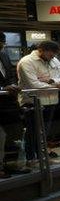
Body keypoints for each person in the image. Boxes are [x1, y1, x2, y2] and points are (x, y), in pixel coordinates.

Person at [17, 40, 60, 164]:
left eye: (54, 55)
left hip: (51, 100)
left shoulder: (54, 60)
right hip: (32, 102)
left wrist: (51, 81)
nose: (53, 57)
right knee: (32, 132)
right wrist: (58, 85)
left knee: (44, 132)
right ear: (41, 50)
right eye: (51, 54)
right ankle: (31, 159)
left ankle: (43, 158)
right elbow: (33, 84)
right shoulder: (26, 62)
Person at [0, 32, 25, 178]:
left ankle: (11, 164)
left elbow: (10, 74)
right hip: (2, 97)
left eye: (2, 42)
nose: (2, 45)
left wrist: (13, 85)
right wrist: (2, 89)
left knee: (15, 134)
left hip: (8, 103)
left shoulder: (4, 55)